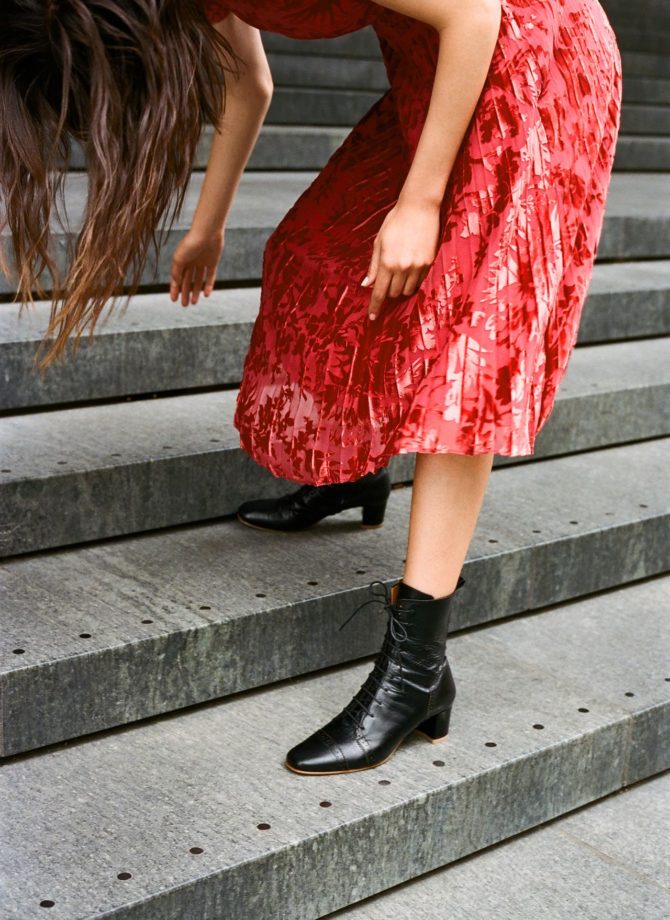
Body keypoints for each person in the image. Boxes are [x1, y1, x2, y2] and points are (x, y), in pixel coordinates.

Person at [0, 0, 622, 776]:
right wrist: (208, 227)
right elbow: (249, 86)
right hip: (438, 73)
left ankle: (417, 672)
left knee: (470, 345)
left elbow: (471, 15)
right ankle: (354, 469)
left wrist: (420, 202)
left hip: (534, 58)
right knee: (313, 250)